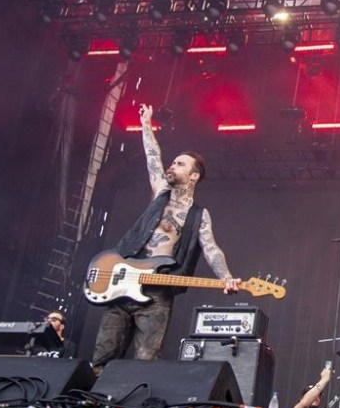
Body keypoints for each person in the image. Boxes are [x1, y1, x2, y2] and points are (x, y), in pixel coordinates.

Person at [90, 104, 239, 372]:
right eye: (174, 161)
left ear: (193, 176)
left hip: (157, 293)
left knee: (146, 359)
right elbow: (152, 156)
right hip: (124, 282)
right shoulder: (161, 192)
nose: (172, 165)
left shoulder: (199, 215)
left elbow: (211, 249)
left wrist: (226, 277)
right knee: (103, 355)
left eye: (180, 164)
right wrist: (146, 124)